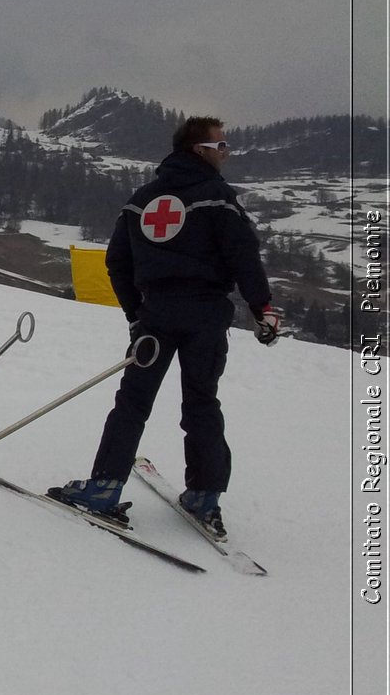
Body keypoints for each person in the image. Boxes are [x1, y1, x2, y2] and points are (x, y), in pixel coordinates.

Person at [50, 116, 278, 538]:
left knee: (133, 401)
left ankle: (104, 487)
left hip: (157, 314)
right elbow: (243, 254)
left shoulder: (142, 199)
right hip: (207, 316)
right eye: (222, 145)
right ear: (199, 150)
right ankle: (204, 496)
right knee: (202, 402)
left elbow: (116, 262)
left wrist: (137, 315)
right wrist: (262, 306)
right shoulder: (217, 197)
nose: (227, 152)